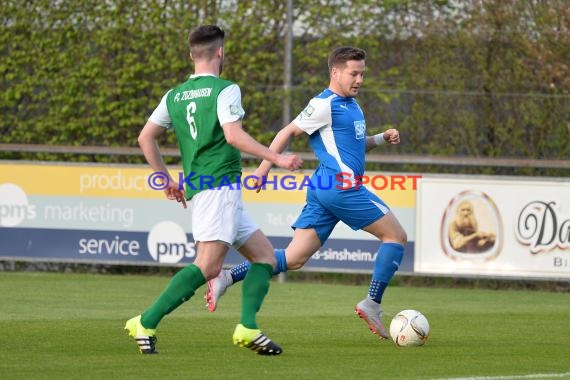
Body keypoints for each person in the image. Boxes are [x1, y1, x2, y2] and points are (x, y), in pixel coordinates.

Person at [205, 46, 406, 340]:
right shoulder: (323, 104)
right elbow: (286, 132)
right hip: (342, 187)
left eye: (362, 73)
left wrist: (380, 137)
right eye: (354, 73)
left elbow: (353, 146)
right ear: (335, 72)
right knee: (396, 236)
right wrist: (264, 169)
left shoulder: (352, 105)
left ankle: (227, 276)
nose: (360, 79)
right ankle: (372, 302)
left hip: (324, 187)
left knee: (294, 258)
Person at [125, 25, 302, 355]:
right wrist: (275, 156)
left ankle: (248, 327)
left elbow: (145, 137)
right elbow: (233, 135)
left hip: (214, 190)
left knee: (265, 257)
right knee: (207, 266)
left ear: (192, 55)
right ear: (220, 52)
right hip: (218, 187)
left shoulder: (174, 95)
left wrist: (166, 181)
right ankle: (145, 321)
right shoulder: (225, 89)